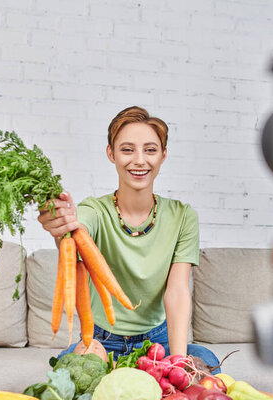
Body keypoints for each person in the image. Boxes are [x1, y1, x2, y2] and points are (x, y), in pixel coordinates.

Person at [38, 106, 220, 372]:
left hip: (159, 343)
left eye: (150, 150)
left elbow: (178, 291)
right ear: (111, 154)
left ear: (163, 155)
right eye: (127, 149)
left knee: (206, 361)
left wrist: (178, 364)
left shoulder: (183, 216)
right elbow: (77, 232)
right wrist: (62, 225)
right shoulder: (94, 211)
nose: (139, 160)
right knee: (67, 372)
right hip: (102, 342)